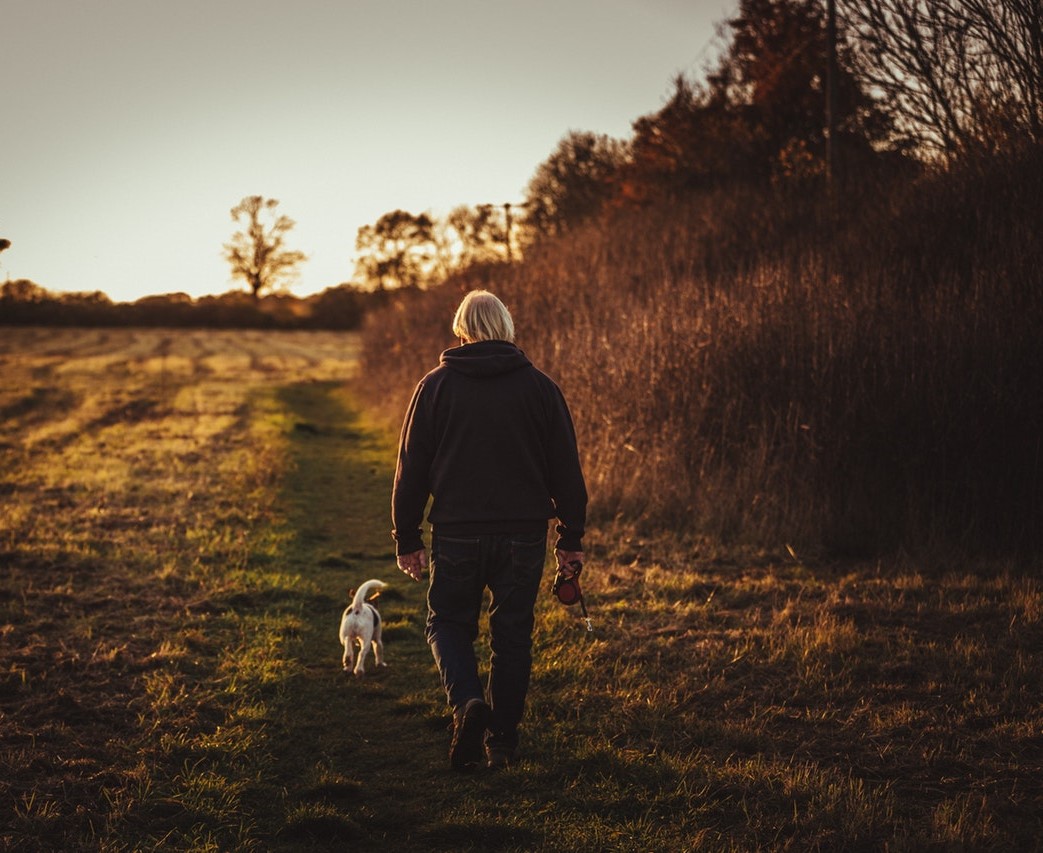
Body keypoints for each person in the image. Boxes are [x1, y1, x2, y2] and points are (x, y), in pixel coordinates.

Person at [392, 289, 588, 771]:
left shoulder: (434, 387)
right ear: (506, 327)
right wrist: (571, 538)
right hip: (523, 536)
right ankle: (501, 742)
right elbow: (567, 471)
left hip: (457, 532)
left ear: (461, 328)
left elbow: (411, 468)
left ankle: (466, 705)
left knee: (447, 623)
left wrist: (408, 537)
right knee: (512, 635)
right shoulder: (541, 388)